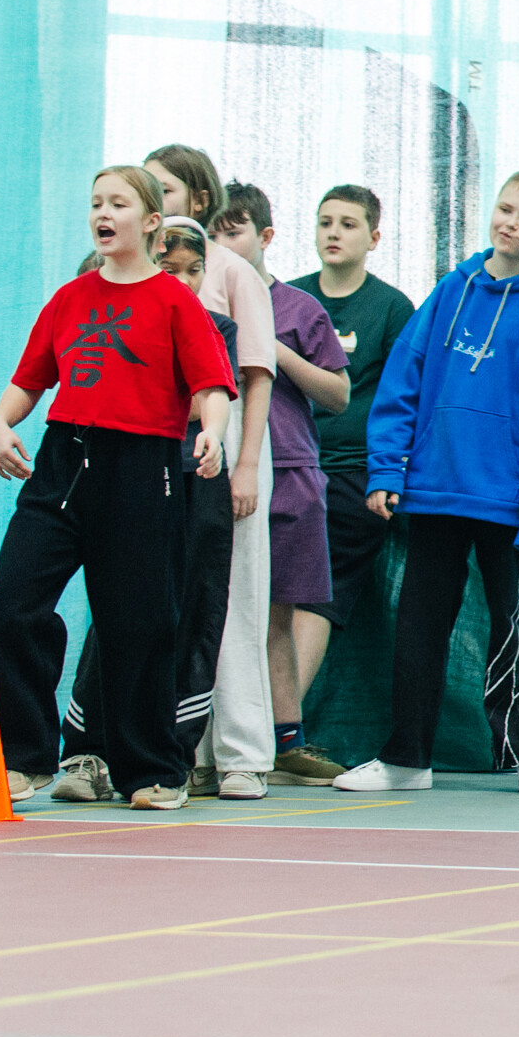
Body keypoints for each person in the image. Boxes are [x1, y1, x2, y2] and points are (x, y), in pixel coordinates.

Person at [0, 167, 232, 810]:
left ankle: (152, 771)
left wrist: (212, 431)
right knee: (10, 600)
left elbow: (211, 385)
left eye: (118, 203)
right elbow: (29, 381)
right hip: (63, 462)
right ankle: (24, 757)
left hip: (143, 467)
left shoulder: (175, 300)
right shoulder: (69, 299)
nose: (103, 213)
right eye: (96, 202)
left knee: (139, 624)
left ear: (150, 222)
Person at [335, 171, 519, 796]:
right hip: (434, 491)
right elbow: (403, 380)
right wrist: (387, 469)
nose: (511, 224)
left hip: (510, 503)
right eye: (505, 209)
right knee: (418, 629)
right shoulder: (453, 289)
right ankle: (406, 760)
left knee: (516, 628)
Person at [133, 145, 280, 797]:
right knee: (169, 596)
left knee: (235, 599)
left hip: (229, 442)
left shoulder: (230, 271)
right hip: (161, 445)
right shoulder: (138, 271)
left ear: (198, 199)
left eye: (162, 188)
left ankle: (243, 753)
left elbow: (256, 376)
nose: (150, 199)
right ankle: (179, 750)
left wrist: (244, 467)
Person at [210, 183, 351, 779]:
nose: (223, 244)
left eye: (234, 232)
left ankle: (286, 738)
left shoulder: (299, 308)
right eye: (213, 234)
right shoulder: (197, 305)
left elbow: (339, 394)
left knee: (277, 614)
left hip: (291, 472)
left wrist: (276, 353)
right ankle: (201, 746)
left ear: (264, 236)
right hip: (216, 471)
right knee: (214, 611)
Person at [284, 183, 419, 778]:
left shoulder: (391, 308)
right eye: (325, 222)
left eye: (347, 223)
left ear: (374, 237)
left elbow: (405, 396)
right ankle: (243, 736)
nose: (333, 233)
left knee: (318, 596)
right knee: (267, 601)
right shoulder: (289, 299)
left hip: (353, 475)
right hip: (286, 467)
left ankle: (275, 734)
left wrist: (389, 474)